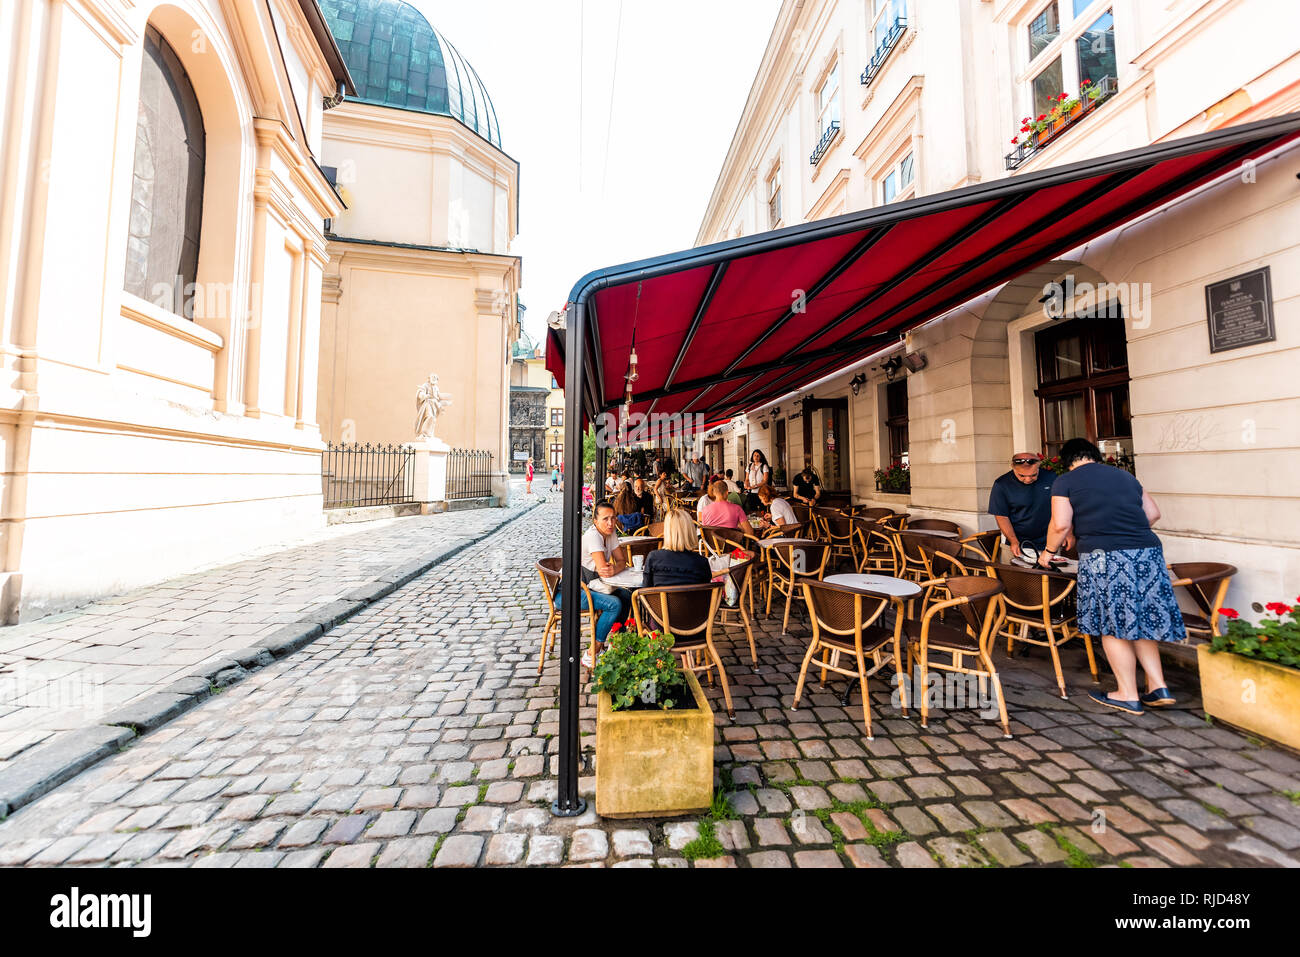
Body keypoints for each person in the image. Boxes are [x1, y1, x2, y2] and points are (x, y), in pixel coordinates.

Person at [1038, 438, 1185, 715]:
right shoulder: (1126, 476)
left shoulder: (1066, 481)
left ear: (1068, 460)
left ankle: (1127, 694)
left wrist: (1047, 553)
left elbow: (1060, 524)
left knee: (1110, 624)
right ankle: (1158, 686)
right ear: (1095, 456)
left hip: (1106, 557)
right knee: (1139, 620)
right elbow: (1153, 514)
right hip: (1148, 553)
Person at [555, 500, 633, 668]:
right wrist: (615, 568)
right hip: (569, 592)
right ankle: (592, 653)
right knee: (614, 604)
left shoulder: (610, 534)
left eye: (613, 518)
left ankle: (616, 643)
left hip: (590, 586)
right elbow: (604, 569)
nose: (611, 523)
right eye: (605, 519)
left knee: (626, 595)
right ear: (595, 521)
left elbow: (622, 561)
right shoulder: (593, 536)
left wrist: (616, 568)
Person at [988, 452, 1071, 559]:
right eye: (1022, 476)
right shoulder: (1001, 484)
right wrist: (1013, 541)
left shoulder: (1052, 478)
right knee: (1017, 575)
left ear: (1039, 467)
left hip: (1050, 541)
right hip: (1017, 542)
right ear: (1013, 468)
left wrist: (1067, 532)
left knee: (1050, 575)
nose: (1028, 479)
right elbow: (1002, 517)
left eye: (1033, 475)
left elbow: (1065, 508)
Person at [643, 509, 713, 587]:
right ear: (690, 531)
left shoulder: (653, 557)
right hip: (693, 599)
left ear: (667, 531)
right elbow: (706, 593)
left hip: (658, 599)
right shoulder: (702, 562)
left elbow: (645, 591)